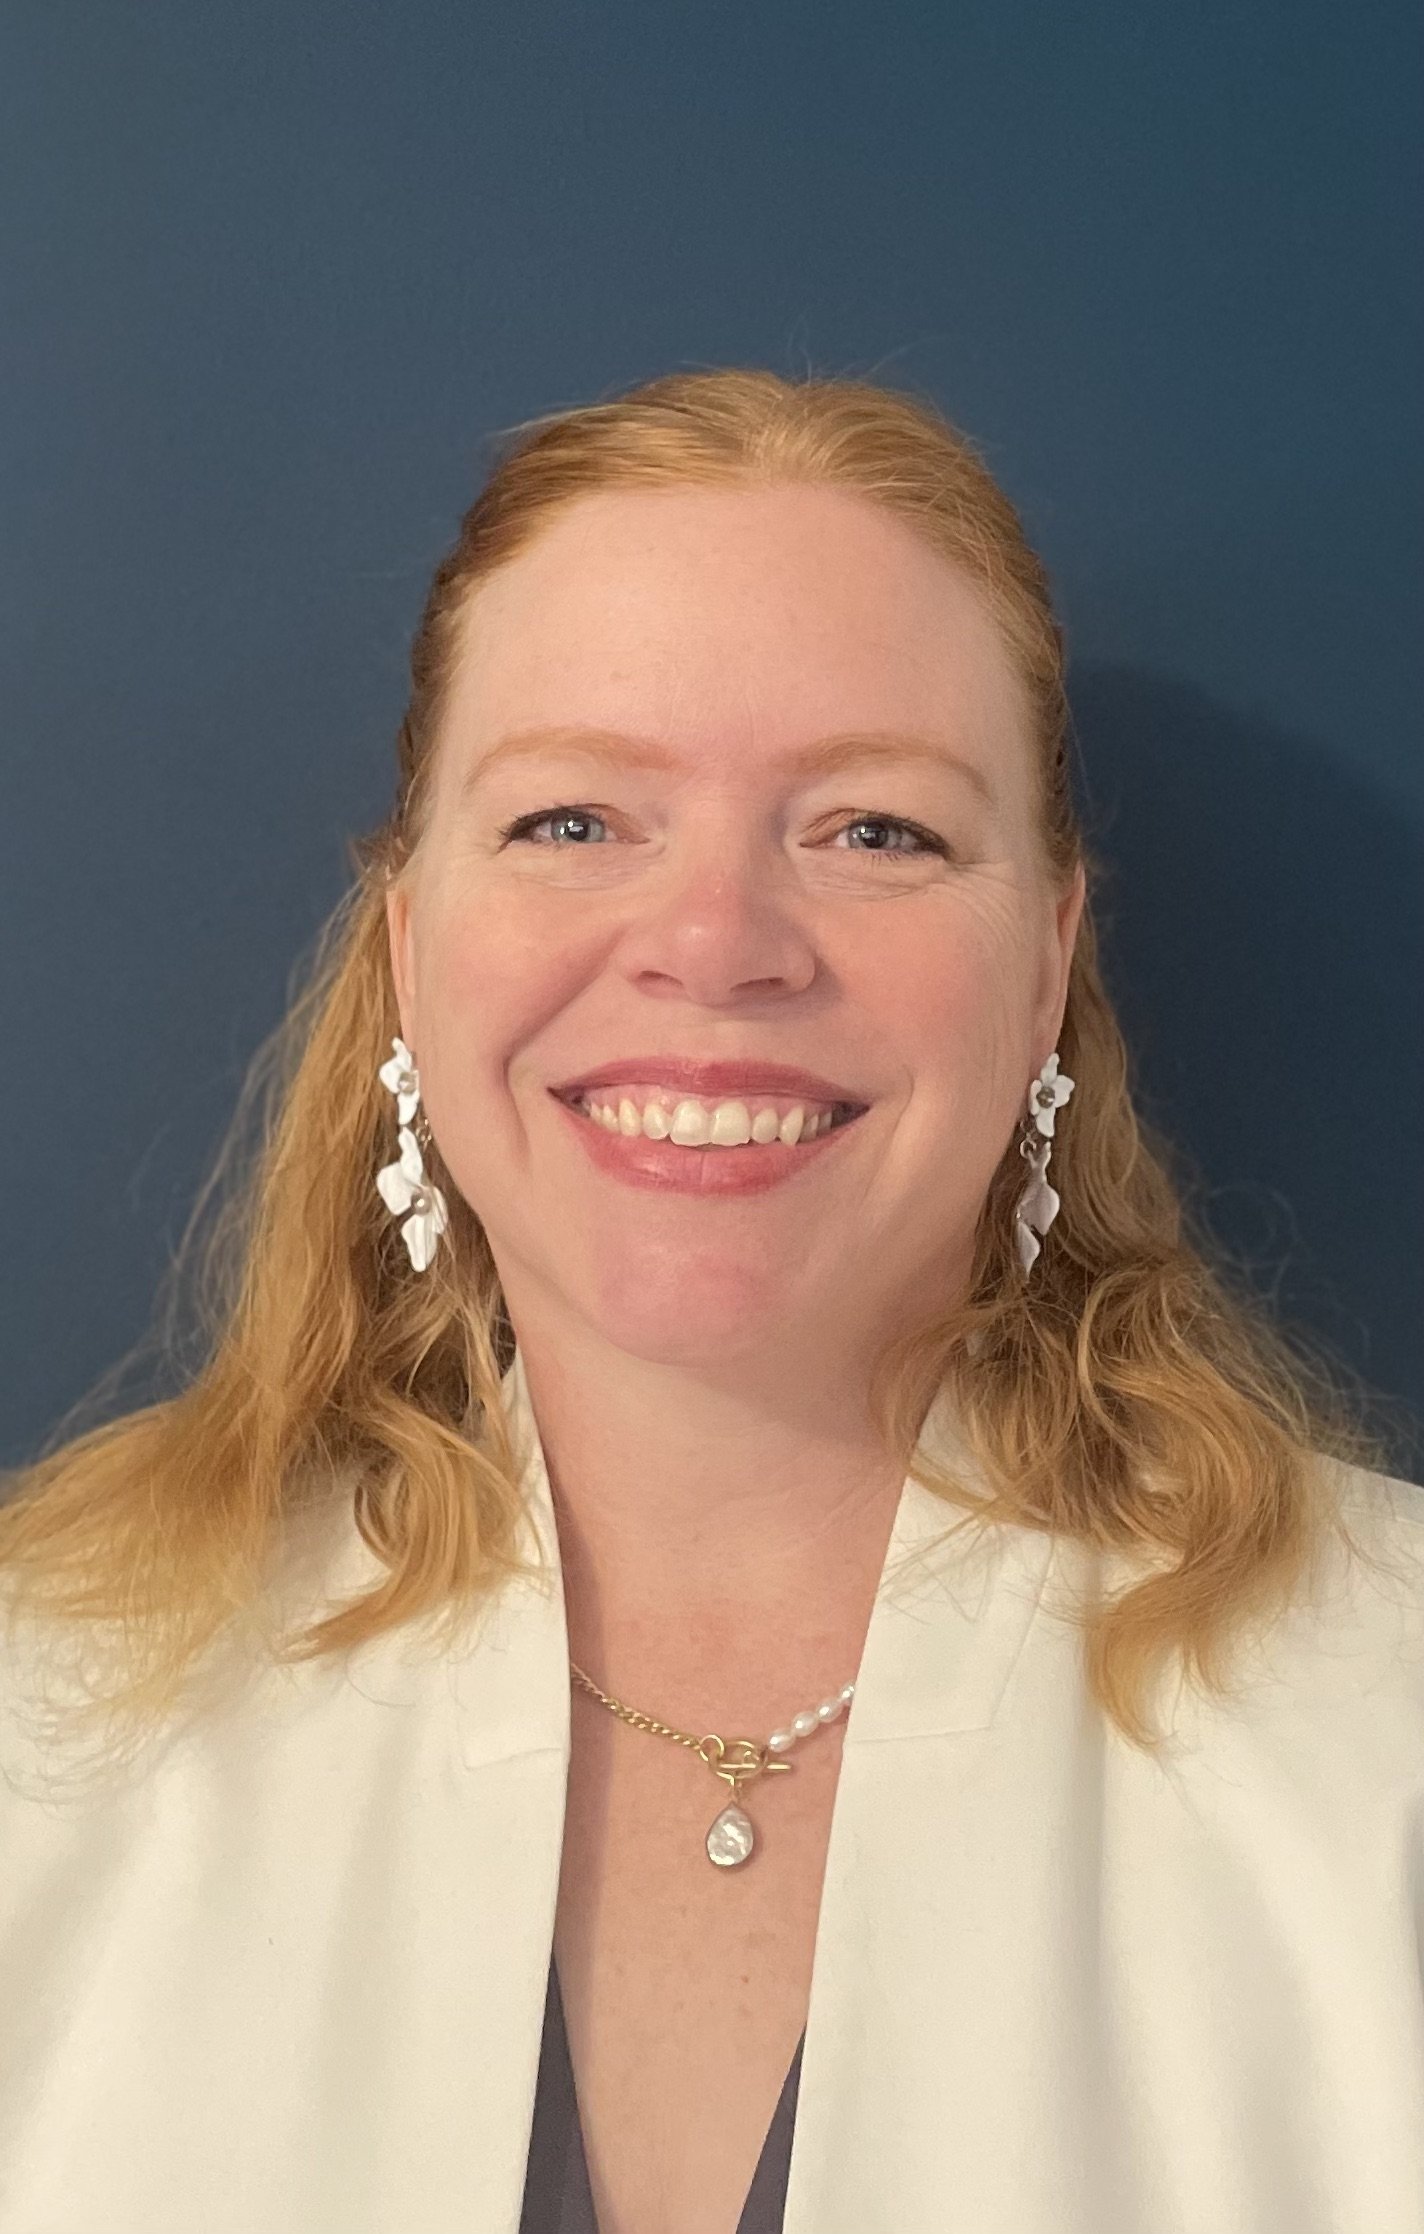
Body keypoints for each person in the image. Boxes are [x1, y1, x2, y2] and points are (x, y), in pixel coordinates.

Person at [1, 368, 1421, 2234]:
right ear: (412, 947)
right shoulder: (43, 1711)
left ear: (1050, 958)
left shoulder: (1385, 1732)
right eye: (576, 819)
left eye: (876, 830)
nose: (716, 943)